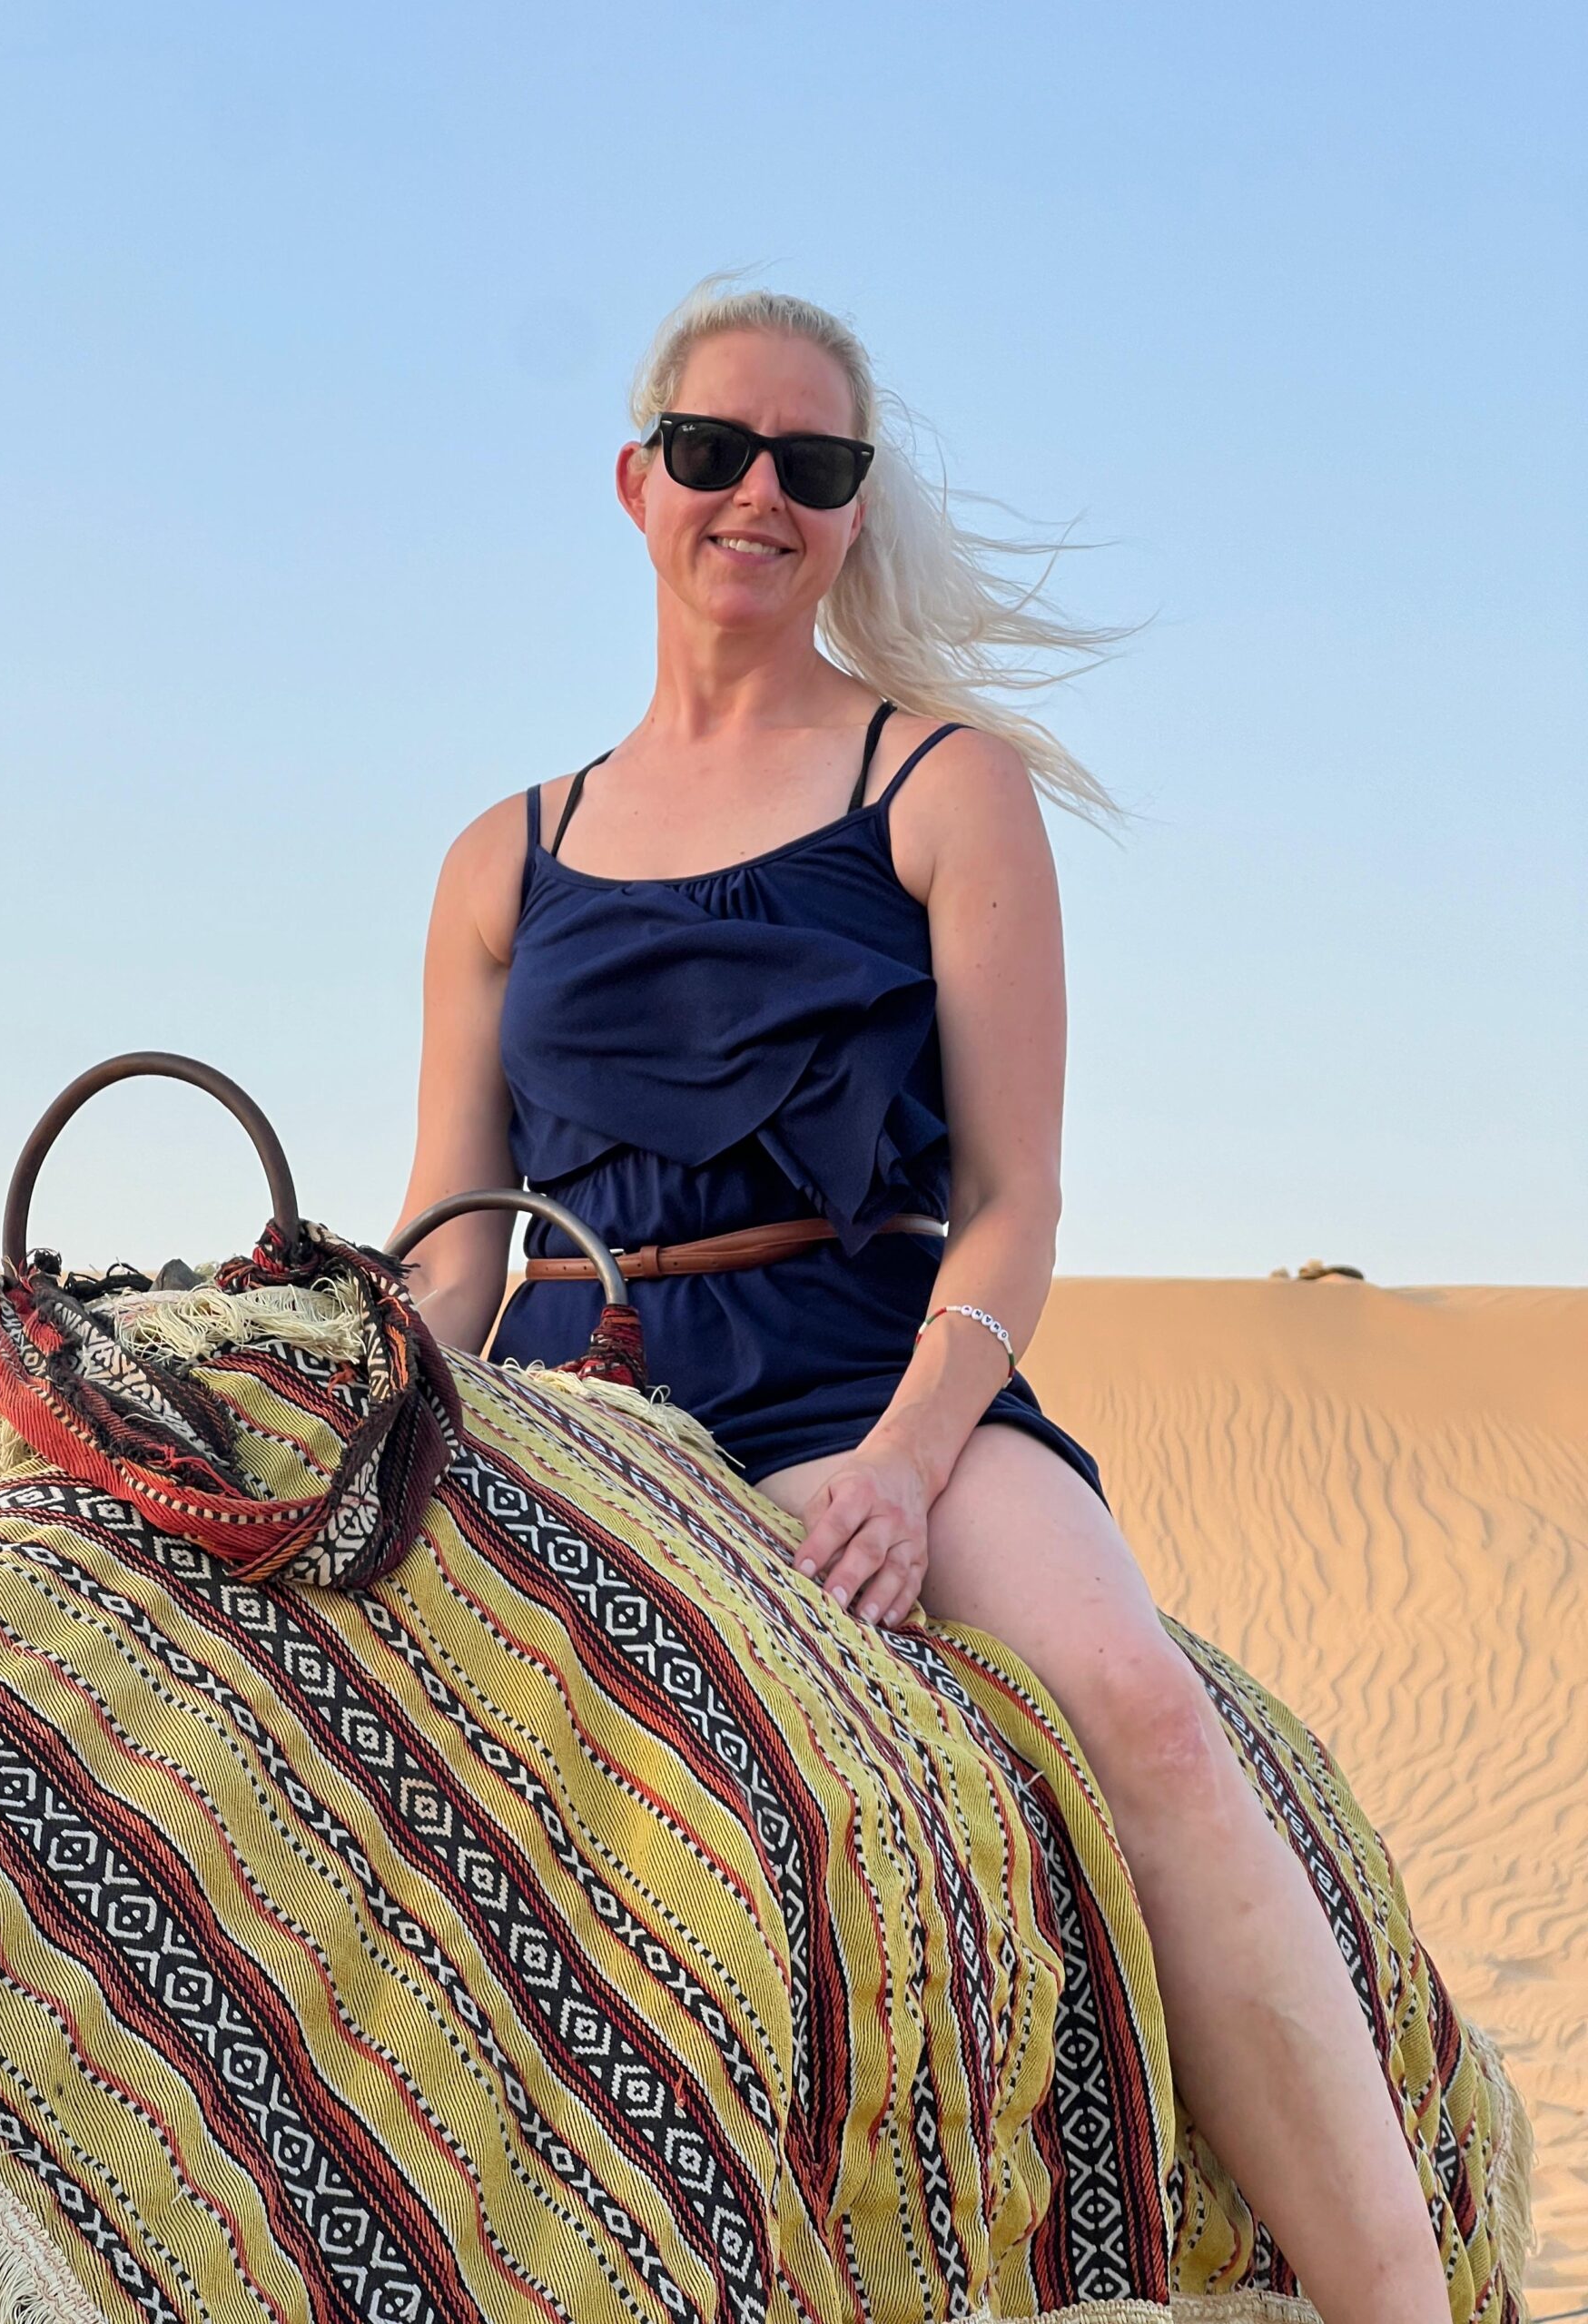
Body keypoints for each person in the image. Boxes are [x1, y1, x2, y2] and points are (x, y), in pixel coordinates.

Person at [392, 281, 1453, 2323]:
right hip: (578, 1391)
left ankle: (1405, 2293)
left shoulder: (941, 787)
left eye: (815, 464)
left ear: (855, 512)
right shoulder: (499, 858)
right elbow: (452, 1236)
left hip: (880, 1365)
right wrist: (356, 1387)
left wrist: (900, 1458)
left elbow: (1016, 1199)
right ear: (638, 482)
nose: (759, 495)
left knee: (1136, 1704)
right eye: (716, 452)